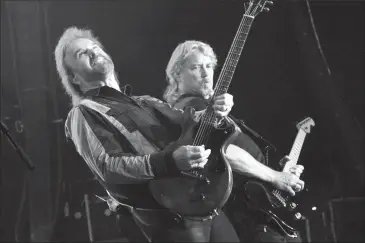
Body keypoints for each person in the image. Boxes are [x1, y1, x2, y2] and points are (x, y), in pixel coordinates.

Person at [54, 26, 240, 242]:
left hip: (203, 201)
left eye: (94, 47)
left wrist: (218, 110)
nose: (93, 52)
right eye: (82, 54)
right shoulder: (83, 112)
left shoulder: (145, 101)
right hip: (167, 218)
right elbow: (108, 166)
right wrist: (169, 162)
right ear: (75, 78)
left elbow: (191, 121)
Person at [163, 40, 306, 242]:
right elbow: (222, 152)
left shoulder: (207, 107)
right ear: (177, 74)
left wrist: (276, 170)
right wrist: (275, 177)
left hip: (256, 206)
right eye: (195, 67)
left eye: (209, 66)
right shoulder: (189, 108)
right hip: (247, 212)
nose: (206, 74)